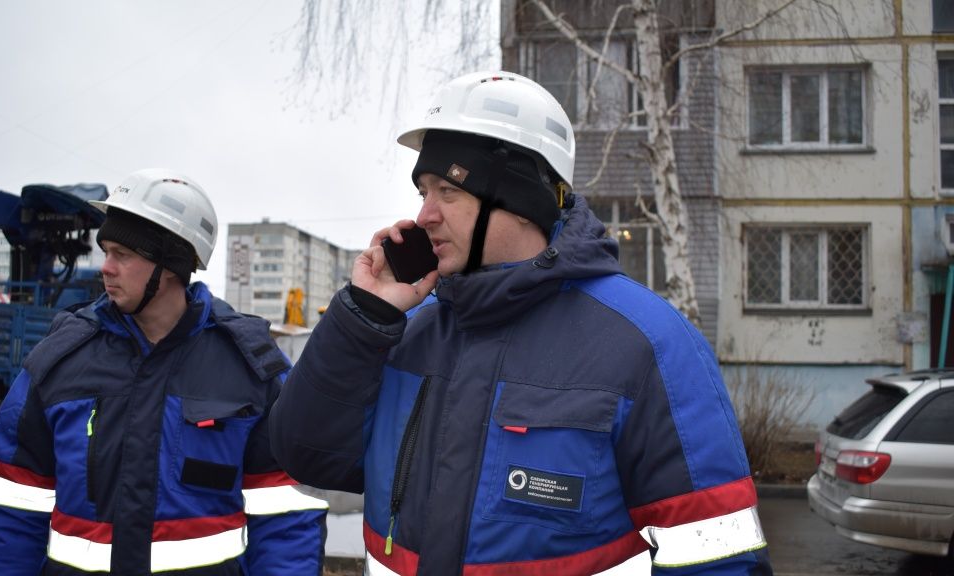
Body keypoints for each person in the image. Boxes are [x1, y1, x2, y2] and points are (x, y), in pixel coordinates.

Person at [270, 71, 772, 575]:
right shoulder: (407, 328)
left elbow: (714, 553)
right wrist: (362, 318)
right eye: (423, 190)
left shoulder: (647, 343)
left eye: (448, 190)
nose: (424, 215)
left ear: (517, 196)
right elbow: (306, 455)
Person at [0, 169, 328, 576]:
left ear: (171, 264)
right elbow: (10, 514)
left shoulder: (251, 369)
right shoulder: (58, 363)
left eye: (122, 254)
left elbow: (288, 520)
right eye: (105, 251)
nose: (106, 267)